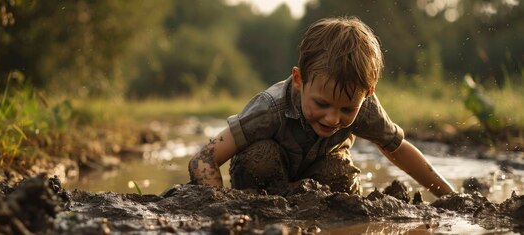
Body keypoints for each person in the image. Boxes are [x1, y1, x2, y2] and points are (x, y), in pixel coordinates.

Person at [187, 16, 455, 197]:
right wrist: (219, 207)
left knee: (338, 171)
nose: (332, 118)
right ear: (299, 79)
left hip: (320, 180)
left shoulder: (365, 107)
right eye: (322, 104)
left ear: (368, 94)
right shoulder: (270, 107)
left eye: (347, 109)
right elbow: (204, 158)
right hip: (264, 183)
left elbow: (399, 150)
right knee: (261, 158)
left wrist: (450, 197)